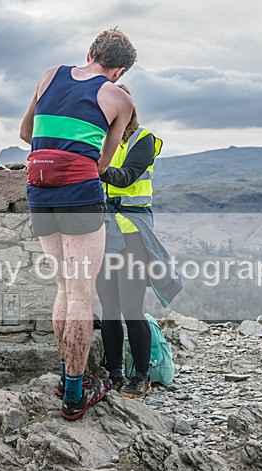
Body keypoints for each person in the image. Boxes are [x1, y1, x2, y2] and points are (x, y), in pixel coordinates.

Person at [19, 28, 137, 420]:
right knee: (82, 295)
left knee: (62, 289)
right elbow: (103, 163)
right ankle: (75, 392)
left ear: (89, 54)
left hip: (39, 191)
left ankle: (65, 374)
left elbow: (25, 132)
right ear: (119, 71)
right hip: (79, 195)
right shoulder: (118, 98)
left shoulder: (49, 75)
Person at [97, 84, 183, 399]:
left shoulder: (143, 139)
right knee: (109, 308)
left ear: (127, 108)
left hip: (133, 234)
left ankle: (141, 377)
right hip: (103, 232)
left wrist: (89, 166)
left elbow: (126, 176)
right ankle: (115, 374)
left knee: (131, 308)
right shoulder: (97, 140)